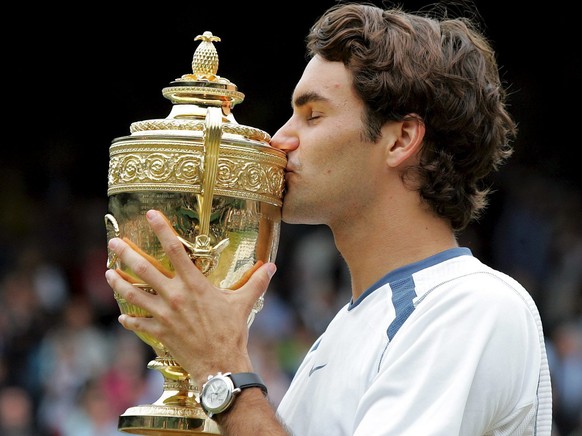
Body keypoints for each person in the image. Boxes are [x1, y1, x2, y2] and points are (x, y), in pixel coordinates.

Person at [105, 2, 553, 435]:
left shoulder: (471, 305)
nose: (280, 139)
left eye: (313, 115)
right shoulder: (344, 331)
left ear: (401, 140)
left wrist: (221, 368)